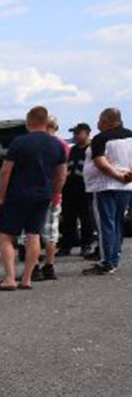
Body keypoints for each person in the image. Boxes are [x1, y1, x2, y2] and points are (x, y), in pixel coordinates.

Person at [0, 105, 67, 291]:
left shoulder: (19, 142)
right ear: (45, 121)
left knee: (7, 236)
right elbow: (61, 175)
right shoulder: (57, 144)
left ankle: (9, 278)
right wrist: (54, 192)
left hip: (18, 195)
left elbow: (5, 171)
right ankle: (27, 279)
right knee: (34, 235)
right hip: (43, 196)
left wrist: (0, 197)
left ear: (29, 122)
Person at [81, 107, 132, 275]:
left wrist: (117, 175)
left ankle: (105, 261)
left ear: (105, 121)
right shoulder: (130, 136)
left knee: (104, 225)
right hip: (125, 187)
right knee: (117, 223)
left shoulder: (100, 139)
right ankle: (114, 258)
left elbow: (100, 162)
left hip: (104, 186)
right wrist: (126, 176)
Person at [30, 117, 70, 280]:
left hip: (36, 192)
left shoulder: (36, 144)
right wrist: (57, 192)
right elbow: (62, 173)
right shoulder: (63, 145)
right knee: (51, 232)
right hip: (54, 193)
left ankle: (34, 267)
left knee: (33, 232)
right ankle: (50, 266)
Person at [60, 122, 95, 256]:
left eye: (78, 133)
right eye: (74, 133)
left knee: (86, 217)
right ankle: (66, 245)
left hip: (85, 187)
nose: (75, 136)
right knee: (68, 217)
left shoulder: (91, 149)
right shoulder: (73, 149)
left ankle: (86, 244)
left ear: (86, 133)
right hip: (70, 187)